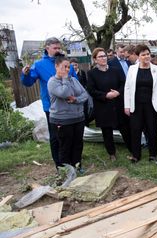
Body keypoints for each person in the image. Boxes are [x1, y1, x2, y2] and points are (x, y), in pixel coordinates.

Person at [21, 37, 77, 168]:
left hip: (69, 104)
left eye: (59, 48)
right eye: (55, 48)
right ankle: (60, 165)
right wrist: (26, 75)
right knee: (56, 137)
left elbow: (74, 80)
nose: (58, 50)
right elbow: (28, 82)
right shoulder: (39, 65)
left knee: (70, 135)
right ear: (47, 48)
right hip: (52, 107)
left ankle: (74, 162)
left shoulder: (65, 62)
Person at [87, 48, 132, 161]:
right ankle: (111, 153)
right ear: (95, 59)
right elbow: (91, 90)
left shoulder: (115, 70)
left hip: (117, 104)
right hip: (103, 106)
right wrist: (105, 95)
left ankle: (132, 149)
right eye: (100, 56)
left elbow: (124, 84)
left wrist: (118, 92)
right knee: (107, 132)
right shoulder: (92, 73)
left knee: (125, 129)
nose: (103, 58)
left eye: (104, 56)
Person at [124, 44, 157, 163]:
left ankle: (153, 154)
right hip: (135, 105)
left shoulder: (156, 69)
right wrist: (126, 105)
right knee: (135, 130)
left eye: (148, 54)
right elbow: (127, 88)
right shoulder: (132, 69)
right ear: (138, 56)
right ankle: (136, 155)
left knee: (152, 130)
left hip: (151, 105)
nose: (146, 56)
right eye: (143, 54)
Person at [47, 54, 88, 171]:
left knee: (78, 144)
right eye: (64, 67)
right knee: (65, 146)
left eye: (68, 67)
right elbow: (64, 93)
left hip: (78, 118)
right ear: (56, 66)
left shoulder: (74, 80)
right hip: (62, 120)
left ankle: (77, 165)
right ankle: (67, 171)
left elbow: (84, 94)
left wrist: (76, 100)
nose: (67, 70)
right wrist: (65, 78)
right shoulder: (52, 82)